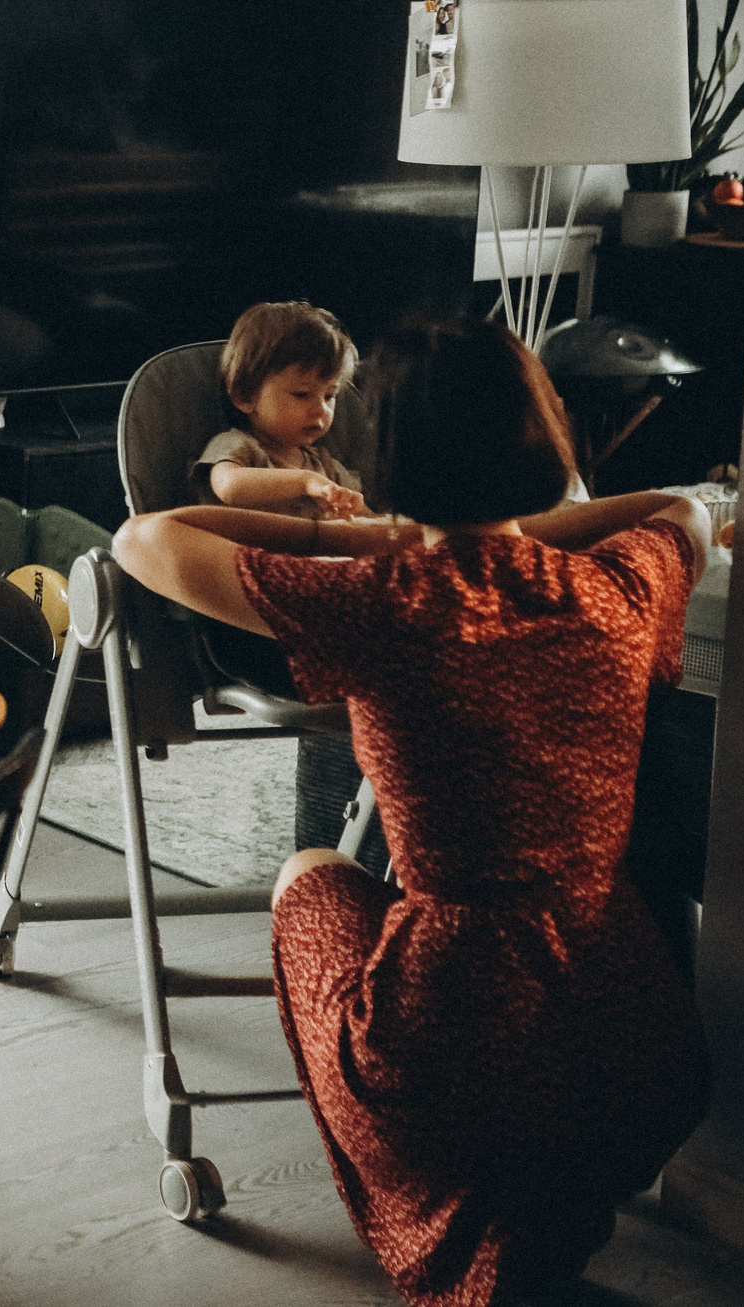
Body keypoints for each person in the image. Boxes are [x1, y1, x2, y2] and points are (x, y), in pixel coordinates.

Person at [113, 317, 709, 1307]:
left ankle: (466, 1225)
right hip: (639, 1051)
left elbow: (146, 539)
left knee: (311, 874)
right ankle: (530, 1226)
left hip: (446, 1052)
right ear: (546, 440)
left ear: (386, 459)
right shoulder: (623, 583)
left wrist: (370, 536)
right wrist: (510, 516)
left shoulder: (384, 600)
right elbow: (680, 508)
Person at [192, 301, 367, 521]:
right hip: (250, 553)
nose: (321, 409)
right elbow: (229, 487)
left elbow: (365, 515)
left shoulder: (324, 464)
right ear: (245, 396)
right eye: (302, 394)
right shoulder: (239, 445)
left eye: (329, 396)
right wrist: (305, 482)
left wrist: (358, 511)